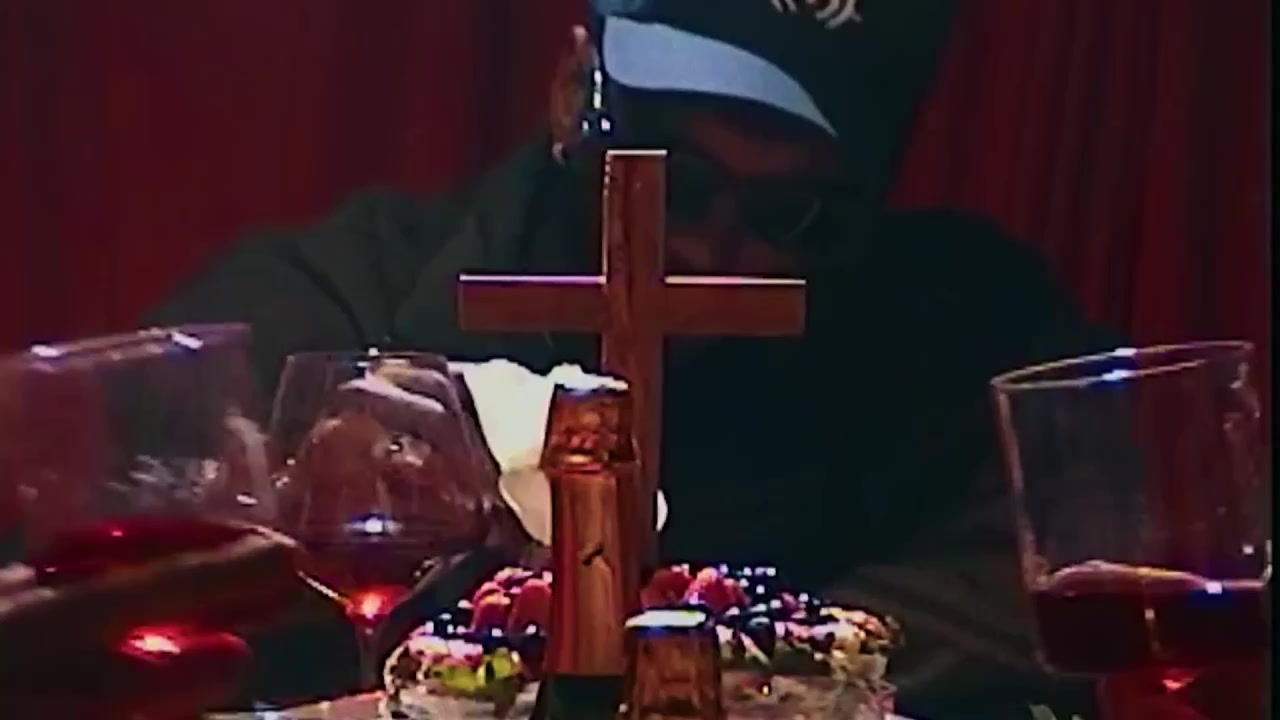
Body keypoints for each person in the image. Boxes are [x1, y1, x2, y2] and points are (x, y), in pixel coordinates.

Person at [147, 1, 1117, 716]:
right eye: (670, 175)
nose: (704, 246)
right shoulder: (335, 297)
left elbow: (1054, 592)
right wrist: (297, 500)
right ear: (574, 90)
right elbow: (149, 563)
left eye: (791, 215)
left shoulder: (962, 326)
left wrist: (720, 666)